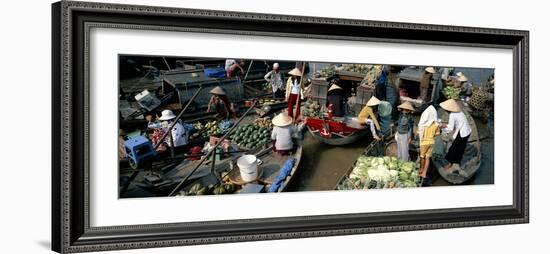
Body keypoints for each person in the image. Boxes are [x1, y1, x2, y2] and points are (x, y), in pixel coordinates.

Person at [439, 99, 472, 170]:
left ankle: (450, 163)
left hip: (462, 132)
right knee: (461, 148)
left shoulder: (452, 115)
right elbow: (457, 124)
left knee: (454, 148)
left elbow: (450, 128)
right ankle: (457, 161)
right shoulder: (459, 111)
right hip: (467, 131)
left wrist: (442, 126)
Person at [418, 105, 440, 179]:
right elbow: (437, 135)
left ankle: (421, 170)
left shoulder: (424, 125)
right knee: (427, 158)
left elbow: (420, 132)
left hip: (424, 143)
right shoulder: (436, 125)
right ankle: (424, 173)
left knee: (422, 157)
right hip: (432, 142)